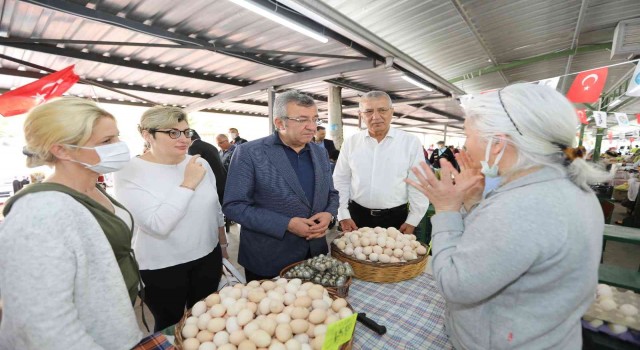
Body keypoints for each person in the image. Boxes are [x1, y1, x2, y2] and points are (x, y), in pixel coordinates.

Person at [406, 84, 609, 349]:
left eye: (468, 134)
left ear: (498, 142)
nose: (465, 145)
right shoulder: (567, 187)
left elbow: (455, 284)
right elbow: (503, 251)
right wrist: (473, 203)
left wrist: (446, 210)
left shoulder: (522, 206)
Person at [0, 97, 142, 349]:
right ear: (62, 150)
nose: (119, 146)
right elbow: (44, 327)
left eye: (117, 137)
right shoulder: (40, 213)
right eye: (106, 141)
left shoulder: (91, 187)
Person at [114, 106, 227, 332]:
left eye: (186, 132)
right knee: (171, 326)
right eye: (173, 133)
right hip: (163, 267)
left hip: (208, 256)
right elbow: (157, 225)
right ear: (147, 135)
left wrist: (222, 246)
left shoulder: (199, 162)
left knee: (207, 322)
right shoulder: (129, 171)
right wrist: (188, 183)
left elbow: (213, 207)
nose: (184, 139)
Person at [223, 90, 339, 282]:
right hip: (270, 258)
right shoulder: (250, 153)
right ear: (279, 123)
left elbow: (331, 193)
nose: (312, 127)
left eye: (315, 119)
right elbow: (234, 206)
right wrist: (286, 224)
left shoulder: (319, 152)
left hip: (315, 255)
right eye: (302, 120)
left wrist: (329, 213)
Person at [333, 91, 428, 234]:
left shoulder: (410, 142)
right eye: (368, 111)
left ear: (392, 112)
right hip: (357, 217)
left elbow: (417, 183)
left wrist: (413, 219)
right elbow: (341, 180)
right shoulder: (351, 143)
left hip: (397, 218)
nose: (376, 117)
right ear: (361, 115)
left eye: (382, 110)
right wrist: (343, 214)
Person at [188, 129, 227, 204]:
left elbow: (194, 167)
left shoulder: (194, 147)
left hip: (213, 183)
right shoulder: (209, 145)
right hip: (223, 180)